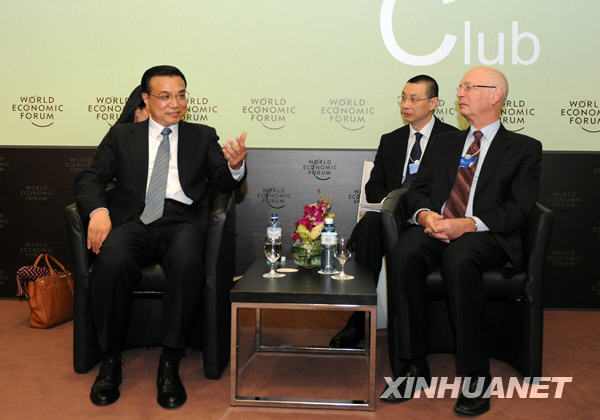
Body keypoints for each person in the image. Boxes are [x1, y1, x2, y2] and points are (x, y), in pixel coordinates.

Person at [75, 65, 248, 409]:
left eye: (181, 95)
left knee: (186, 261)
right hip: (134, 220)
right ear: (146, 99)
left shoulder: (202, 136)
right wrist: (98, 211)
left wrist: (234, 166)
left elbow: (223, 182)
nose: (176, 103)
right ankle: (110, 359)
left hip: (181, 220)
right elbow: (90, 178)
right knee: (111, 261)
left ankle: (170, 360)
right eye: (165, 96)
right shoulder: (123, 136)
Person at [380, 66, 542, 416]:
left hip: (486, 234)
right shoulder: (446, 142)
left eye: (470, 87)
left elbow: (518, 208)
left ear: (495, 95)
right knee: (405, 253)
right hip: (438, 226)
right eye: (460, 87)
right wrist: (425, 215)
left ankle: (475, 378)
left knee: (460, 258)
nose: (460, 94)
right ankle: (412, 367)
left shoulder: (524, 148)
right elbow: (418, 190)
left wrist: (467, 224)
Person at [330, 75, 458, 348]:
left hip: (430, 221)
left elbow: (451, 190)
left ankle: (411, 329)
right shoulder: (391, 140)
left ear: (433, 103)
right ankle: (358, 320)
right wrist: (398, 202)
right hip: (392, 217)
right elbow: (373, 188)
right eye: (403, 98)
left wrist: (419, 208)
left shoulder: (452, 139)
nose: (406, 104)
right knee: (369, 225)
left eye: (414, 99)